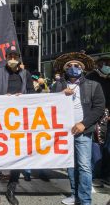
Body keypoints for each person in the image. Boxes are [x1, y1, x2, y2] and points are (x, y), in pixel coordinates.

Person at [0, 45, 34, 205]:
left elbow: (33, 95)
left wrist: (23, 97)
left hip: (19, 121)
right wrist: (2, 98)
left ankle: (11, 190)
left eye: (15, 56)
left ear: (18, 58)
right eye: (9, 56)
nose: (12, 58)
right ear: (6, 57)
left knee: (17, 157)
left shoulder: (26, 74)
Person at [51, 52, 105, 205]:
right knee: (70, 164)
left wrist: (84, 124)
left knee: (84, 166)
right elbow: (49, 104)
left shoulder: (93, 85)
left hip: (83, 132)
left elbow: (99, 108)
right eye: (69, 66)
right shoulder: (59, 85)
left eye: (77, 66)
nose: (73, 68)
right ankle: (75, 195)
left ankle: (85, 200)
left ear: (82, 69)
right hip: (64, 133)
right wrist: (61, 94)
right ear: (64, 69)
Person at [85, 55, 110, 187]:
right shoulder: (90, 77)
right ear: (99, 64)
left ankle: (105, 173)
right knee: (95, 144)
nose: (107, 66)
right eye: (105, 63)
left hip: (107, 116)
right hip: (94, 115)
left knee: (106, 146)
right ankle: (95, 173)